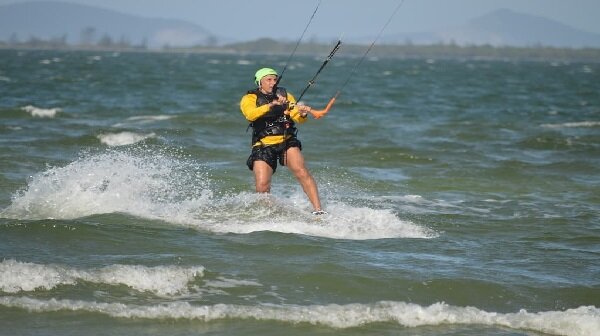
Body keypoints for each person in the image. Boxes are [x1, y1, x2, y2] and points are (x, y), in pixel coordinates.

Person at [240, 67, 327, 215]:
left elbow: (297, 118)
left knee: (301, 171)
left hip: (286, 140)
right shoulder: (250, 98)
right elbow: (250, 115)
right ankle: (266, 215)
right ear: (259, 82)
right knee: (262, 185)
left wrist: (302, 114)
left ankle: (318, 211)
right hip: (263, 144)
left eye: (275, 79)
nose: (272, 82)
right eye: (268, 79)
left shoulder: (285, 95)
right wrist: (271, 105)